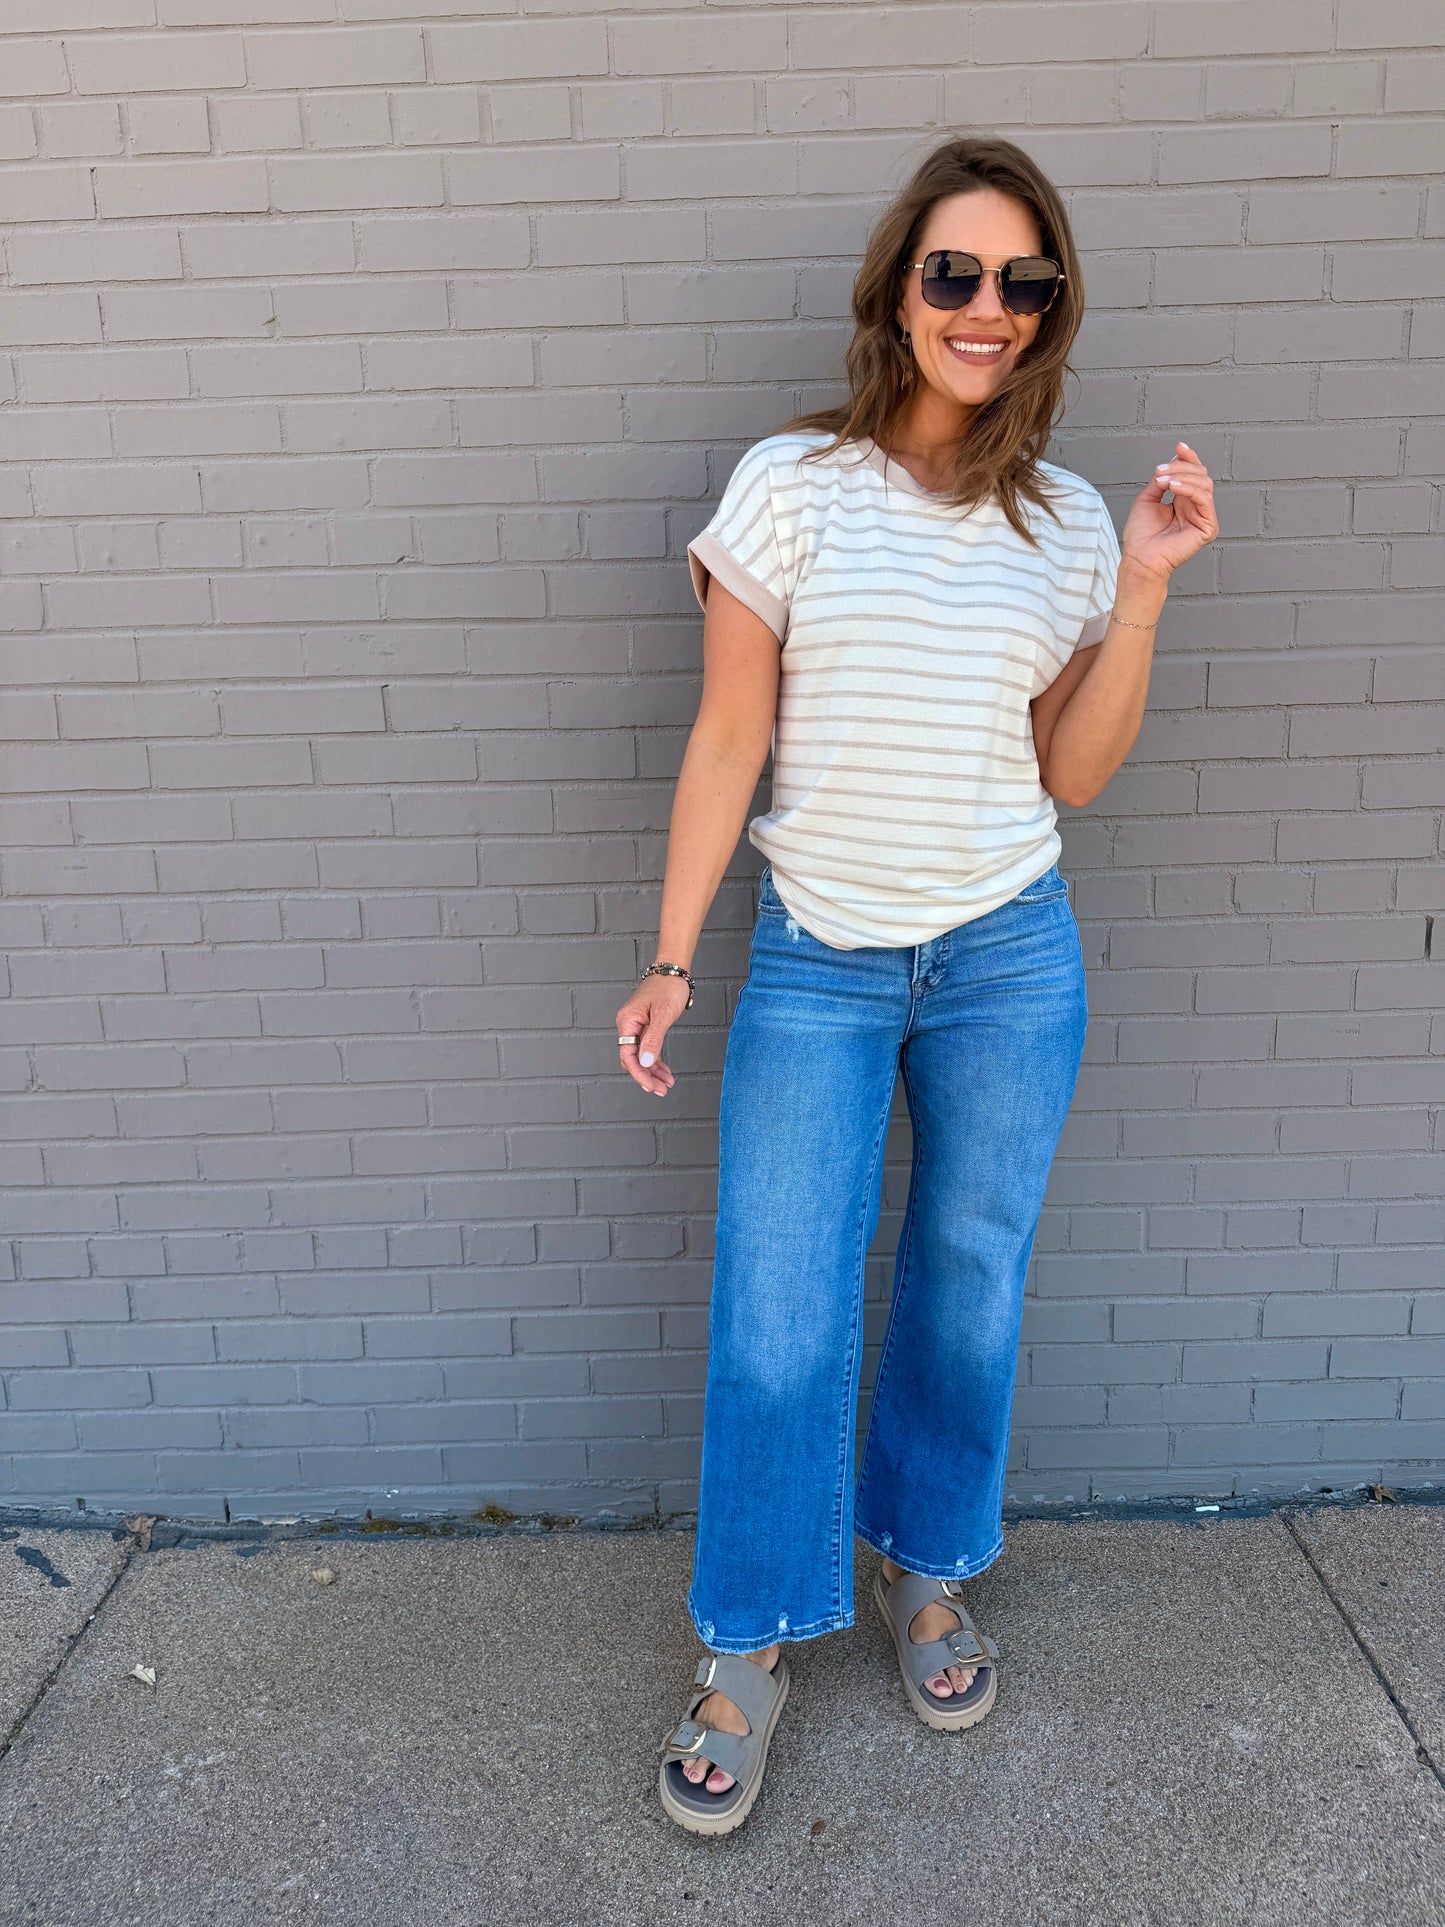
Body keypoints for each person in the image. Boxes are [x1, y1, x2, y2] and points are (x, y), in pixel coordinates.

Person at [613, 133, 1217, 1837]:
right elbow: (730, 732)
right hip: (818, 957)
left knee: (968, 1281)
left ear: (1047, 313)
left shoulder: (1067, 523)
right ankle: (747, 1640)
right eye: (954, 273)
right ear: (897, 287)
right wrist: (669, 957)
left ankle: (924, 1570)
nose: (985, 309)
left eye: (1022, 284)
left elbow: (1069, 771)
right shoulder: (792, 484)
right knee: (781, 1303)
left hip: (1007, 956)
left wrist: (1148, 586)